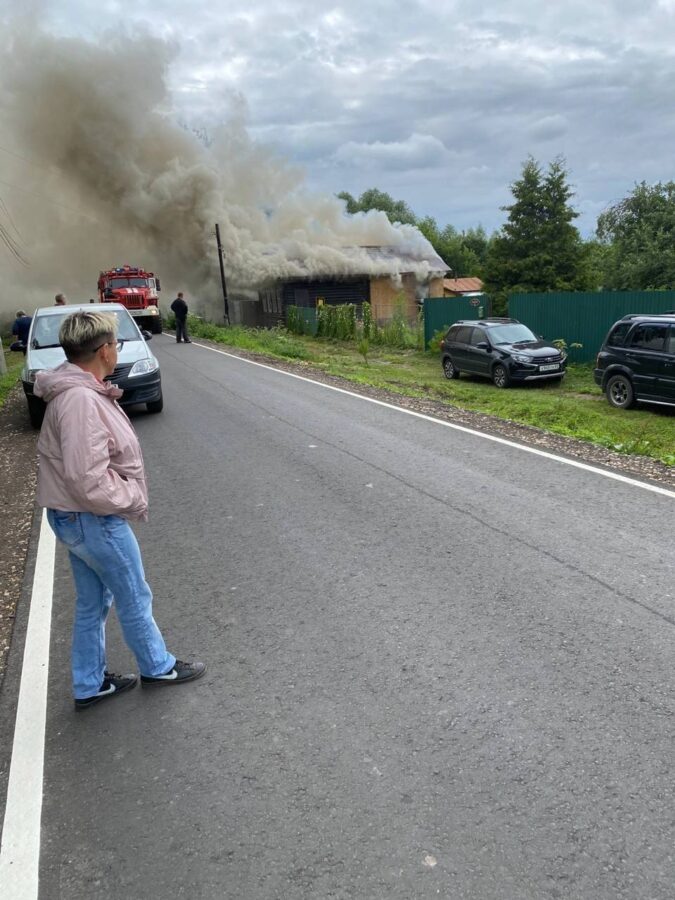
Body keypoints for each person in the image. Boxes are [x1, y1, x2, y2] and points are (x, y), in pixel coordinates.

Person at [33, 311, 206, 710]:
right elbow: (86, 477)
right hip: (92, 517)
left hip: (74, 515)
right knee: (133, 593)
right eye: (114, 343)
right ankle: (157, 666)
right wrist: (130, 496)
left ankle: (89, 683)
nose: (116, 349)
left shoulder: (78, 390)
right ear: (105, 350)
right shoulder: (79, 400)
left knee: (94, 602)